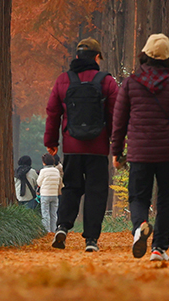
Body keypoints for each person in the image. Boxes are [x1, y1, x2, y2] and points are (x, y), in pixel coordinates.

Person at [110, 33, 169, 263]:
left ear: (145, 54)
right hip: (167, 154)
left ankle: (141, 226)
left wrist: (116, 152)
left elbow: (119, 121)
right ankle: (159, 248)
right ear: (168, 58)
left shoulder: (131, 83)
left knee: (138, 197)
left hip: (139, 153)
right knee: (166, 200)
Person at [44, 37, 119, 252]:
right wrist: (117, 145)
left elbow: (53, 112)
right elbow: (116, 115)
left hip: (72, 146)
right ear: (96, 57)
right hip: (98, 148)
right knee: (96, 192)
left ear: (76, 57)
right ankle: (91, 240)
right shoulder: (107, 81)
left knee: (71, 188)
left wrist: (51, 141)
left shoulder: (63, 80)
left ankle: (62, 226)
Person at [36, 153, 63, 233]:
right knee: (54, 214)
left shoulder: (43, 171)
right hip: (54, 195)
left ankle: (46, 231)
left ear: (44, 162)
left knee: (45, 214)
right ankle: (54, 231)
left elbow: (39, 182)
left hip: (45, 194)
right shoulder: (56, 171)